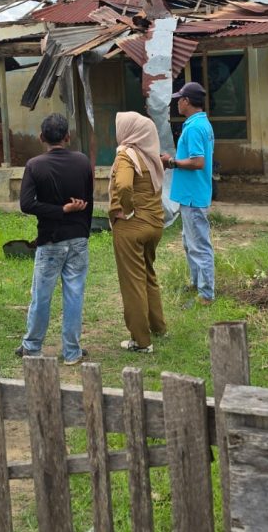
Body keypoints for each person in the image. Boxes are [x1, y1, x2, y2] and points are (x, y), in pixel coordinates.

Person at [15, 114, 94, 366]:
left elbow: (26, 204)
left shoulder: (35, 165)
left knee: (41, 295)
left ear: (41, 138)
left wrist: (59, 211)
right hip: (78, 237)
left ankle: (32, 347)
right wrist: (74, 217)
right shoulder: (82, 161)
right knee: (74, 295)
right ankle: (72, 352)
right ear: (67, 137)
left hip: (50, 240)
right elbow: (88, 199)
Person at [109, 112, 167, 353]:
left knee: (132, 282)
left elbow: (123, 185)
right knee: (148, 275)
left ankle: (141, 341)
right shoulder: (150, 157)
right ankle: (158, 327)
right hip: (154, 224)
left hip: (133, 227)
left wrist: (126, 210)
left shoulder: (126, 155)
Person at [161, 81, 216, 306]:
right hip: (192, 194)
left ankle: (206, 294)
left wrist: (171, 162)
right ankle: (197, 283)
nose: (177, 103)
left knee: (199, 244)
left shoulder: (193, 127)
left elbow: (198, 162)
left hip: (193, 195)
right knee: (189, 241)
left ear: (187, 101)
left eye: (179, 100)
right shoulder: (200, 123)